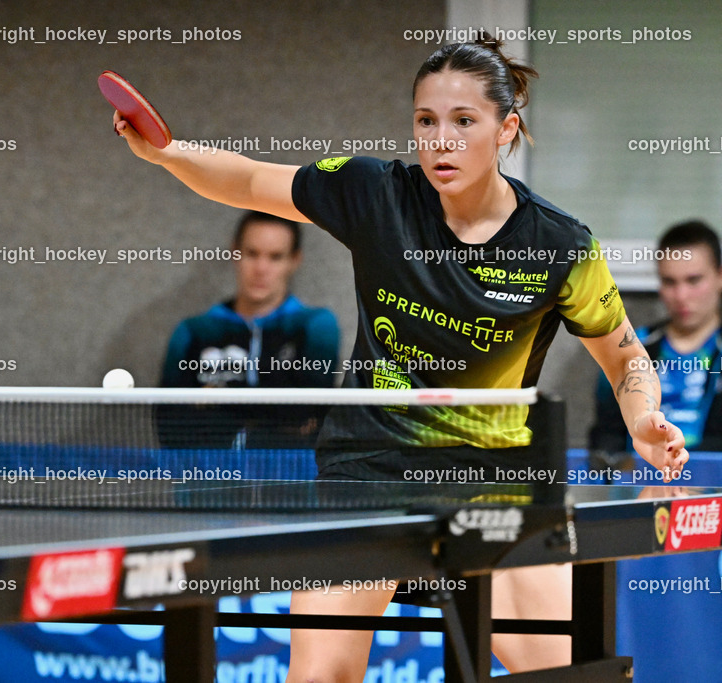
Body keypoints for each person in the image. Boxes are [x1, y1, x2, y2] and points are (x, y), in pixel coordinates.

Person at [113, 34, 688, 680]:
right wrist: (167, 153)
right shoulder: (374, 194)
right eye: (426, 120)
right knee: (319, 676)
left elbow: (625, 356)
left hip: (493, 487)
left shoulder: (560, 246)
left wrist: (643, 417)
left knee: (575, 672)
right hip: (368, 476)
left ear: (506, 129)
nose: (441, 140)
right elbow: (249, 179)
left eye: (464, 121)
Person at [159, 211, 340, 448]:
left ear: (294, 260)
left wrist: (220, 396)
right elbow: (171, 424)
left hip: (288, 470)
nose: (261, 268)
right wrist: (274, 414)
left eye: (275, 257)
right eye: (252, 254)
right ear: (235, 253)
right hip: (207, 469)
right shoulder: (194, 331)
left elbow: (307, 411)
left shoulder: (316, 326)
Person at [590, 220, 722, 463]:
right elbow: (606, 438)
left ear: (719, 276)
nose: (681, 296)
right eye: (670, 282)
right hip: (638, 478)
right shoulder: (631, 346)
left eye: (693, 280)